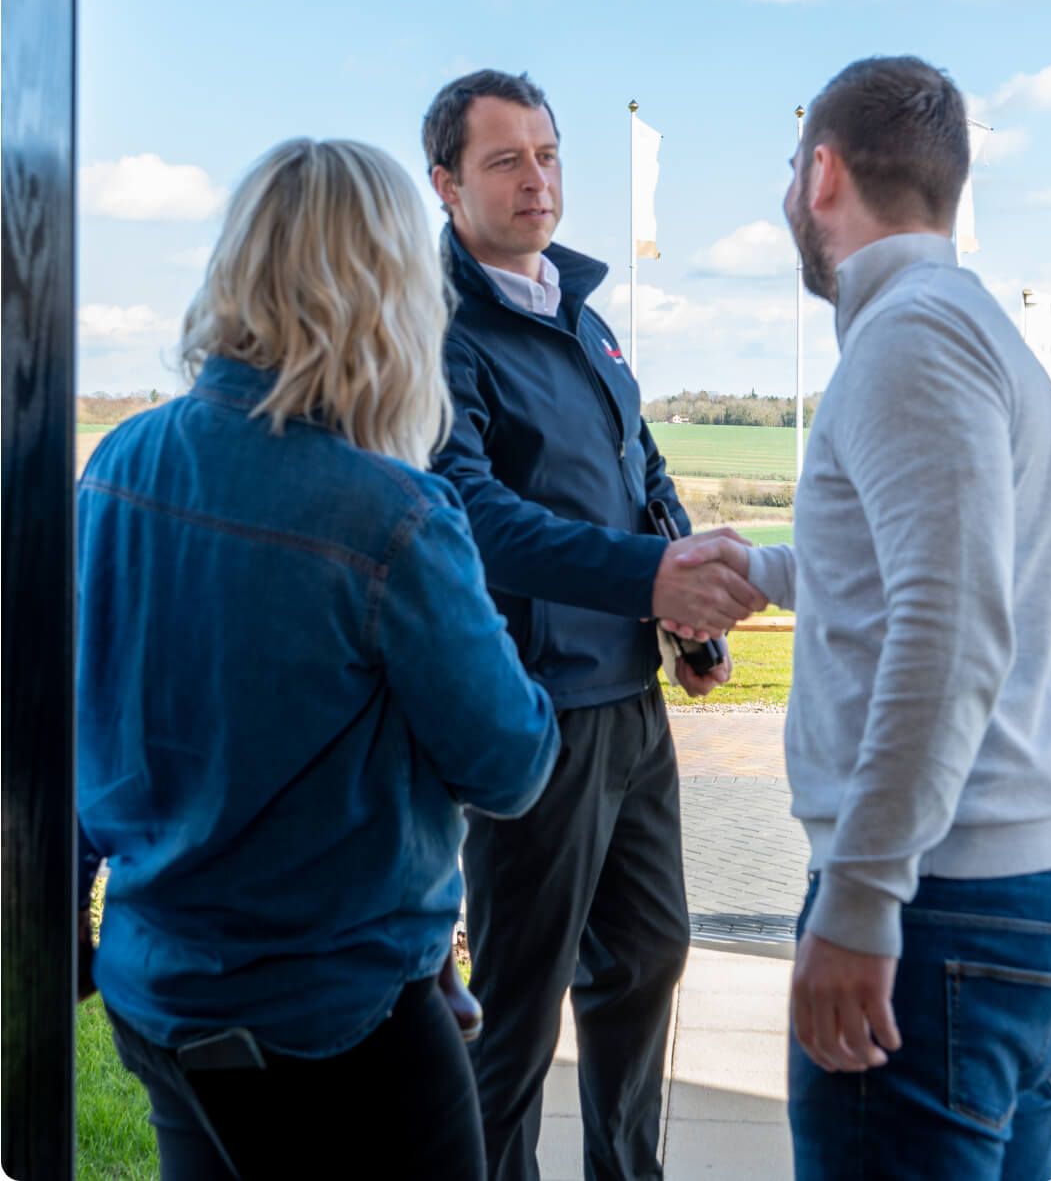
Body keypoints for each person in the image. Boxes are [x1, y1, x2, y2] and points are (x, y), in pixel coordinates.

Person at [75, 137, 562, 1181]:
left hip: (164, 1001)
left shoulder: (119, 463)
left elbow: (67, 715)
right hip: (339, 1025)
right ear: (386, 294)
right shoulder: (393, 514)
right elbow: (511, 764)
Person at [697, 55, 1051, 1179]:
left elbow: (949, 625)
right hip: (995, 902)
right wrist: (764, 565)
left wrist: (861, 899)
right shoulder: (972, 331)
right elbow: (925, 564)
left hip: (936, 904)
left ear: (822, 174)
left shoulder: (910, 338)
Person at [421, 69, 766, 1181]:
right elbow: (477, 518)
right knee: (517, 1008)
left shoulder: (588, 319)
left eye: (550, 155)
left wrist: (684, 614)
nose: (539, 180)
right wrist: (650, 574)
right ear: (445, 184)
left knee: (651, 955)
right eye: (505, 160)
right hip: (529, 713)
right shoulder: (443, 334)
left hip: (629, 702)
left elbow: (643, 475)